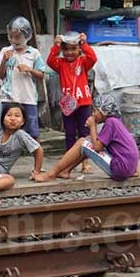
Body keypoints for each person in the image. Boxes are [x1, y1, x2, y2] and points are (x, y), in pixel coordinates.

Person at [33, 94, 139, 182]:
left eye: (95, 110)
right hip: (129, 168)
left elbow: (97, 147)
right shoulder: (117, 121)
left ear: (103, 111)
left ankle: (51, 174)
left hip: (120, 169)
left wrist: (92, 126)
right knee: (88, 142)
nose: (92, 114)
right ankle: (66, 171)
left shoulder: (110, 122)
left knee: (81, 142)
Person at [47, 31, 97, 173]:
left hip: (84, 103)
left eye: (73, 49)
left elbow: (93, 58)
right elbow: (50, 61)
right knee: (69, 133)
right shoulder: (60, 63)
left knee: (84, 132)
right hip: (68, 105)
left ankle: (85, 161)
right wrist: (55, 46)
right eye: (66, 49)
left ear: (79, 49)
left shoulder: (83, 62)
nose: (69, 52)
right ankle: (69, 162)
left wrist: (84, 43)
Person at [0, 16, 46, 139]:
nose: (13, 40)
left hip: (27, 97)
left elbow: (41, 75)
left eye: (17, 37)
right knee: (8, 129)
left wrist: (29, 69)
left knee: (32, 132)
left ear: (27, 36)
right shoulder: (5, 51)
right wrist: (3, 61)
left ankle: (34, 154)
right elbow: (0, 75)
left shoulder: (34, 53)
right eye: (11, 37)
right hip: (9, 97)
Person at [0, 103, 43, 178]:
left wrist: (36, 171)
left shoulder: (20, 135)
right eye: (9, 115)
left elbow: (39, 150)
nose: (12, 119)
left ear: (22, 121)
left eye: (17, 116)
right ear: (3, 119)